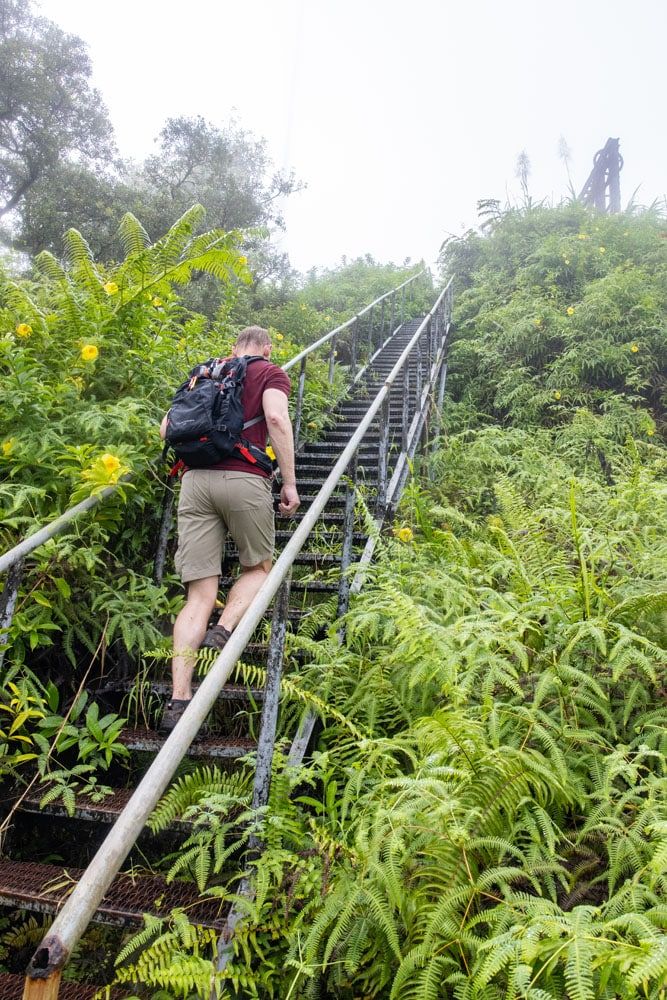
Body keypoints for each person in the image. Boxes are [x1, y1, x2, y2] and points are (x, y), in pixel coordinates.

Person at [159, 326, 300, 733]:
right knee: (258, 568)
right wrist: (288, 482)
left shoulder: (204, 373)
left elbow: (166, 429)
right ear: (267, 348)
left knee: (199, 594)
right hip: (244, 479)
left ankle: (178, 701)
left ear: (234, 347)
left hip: (194, 481)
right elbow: (275, 416)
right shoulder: (270, 372)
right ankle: (222, 632)